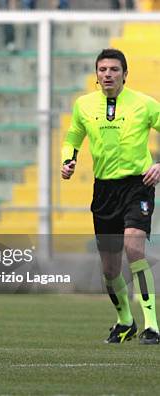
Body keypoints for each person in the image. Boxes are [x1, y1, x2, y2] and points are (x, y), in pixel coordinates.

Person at [61, 48, 160, 344]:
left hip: (137, 185)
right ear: (96, 74)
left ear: (125, 74)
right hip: (104, 190)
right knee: (109, 267)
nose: (108, 74)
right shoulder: (84, 105)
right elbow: (73, 136)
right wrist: (69, 159)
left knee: (134, 249)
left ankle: (152, 325)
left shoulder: (145, 105)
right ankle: (124, 321)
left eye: (114, 69)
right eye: (103, 69)